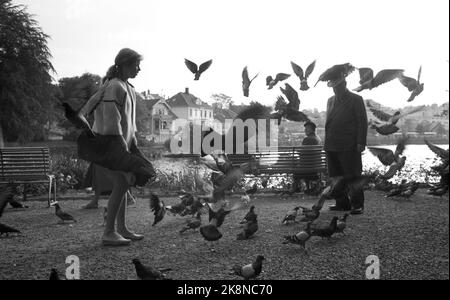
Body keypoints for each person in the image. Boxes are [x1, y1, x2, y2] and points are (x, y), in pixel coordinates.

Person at [81, 48, 146, 246]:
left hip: (120, 142)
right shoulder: (114, 86)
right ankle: (109, 232)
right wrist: (121, 148)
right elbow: (111, 121)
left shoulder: (126, 87)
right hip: (109, 141)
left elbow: (128, 122)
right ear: (125, 65)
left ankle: (121, 229)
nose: (139, 69)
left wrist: (132, 142)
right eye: (136, 65)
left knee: (123, 183)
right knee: (122, 182)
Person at [323, 65, 368, 215]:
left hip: (349, 145)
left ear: (344, 84)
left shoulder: (356, 99)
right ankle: (342, 203)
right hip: (331, 144)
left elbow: (362, 122)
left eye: (338, 86)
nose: (335, 89)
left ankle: (357, 204)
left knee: (353, 175)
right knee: (335, 177)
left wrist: (361, 142)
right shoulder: (329, 100)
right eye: (333, 87)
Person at [292, 121, 322, 193]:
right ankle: (307, 188)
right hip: (316, 166)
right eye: (305, 128)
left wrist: (298, 152)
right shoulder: (318, 139)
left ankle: (296, 188)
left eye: (307, 128)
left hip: (307, 167)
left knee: (294, 168)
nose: (305, 130)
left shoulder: (307, 139)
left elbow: (302, 153)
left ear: (312, 129)